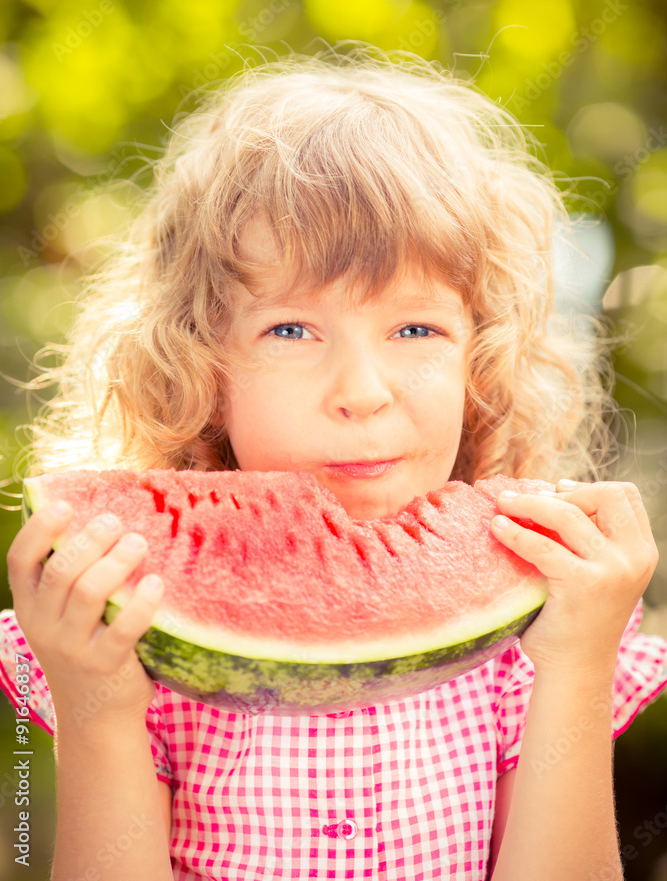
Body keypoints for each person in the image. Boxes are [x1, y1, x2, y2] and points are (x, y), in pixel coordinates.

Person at [1, 43, 666, 881]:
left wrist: (576, 664)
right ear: (202, 369)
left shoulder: (524, 642)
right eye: (290, 331)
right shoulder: (136, 632)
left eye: (415, 329)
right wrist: (97, 706)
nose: (361, 392)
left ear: (480, 363)